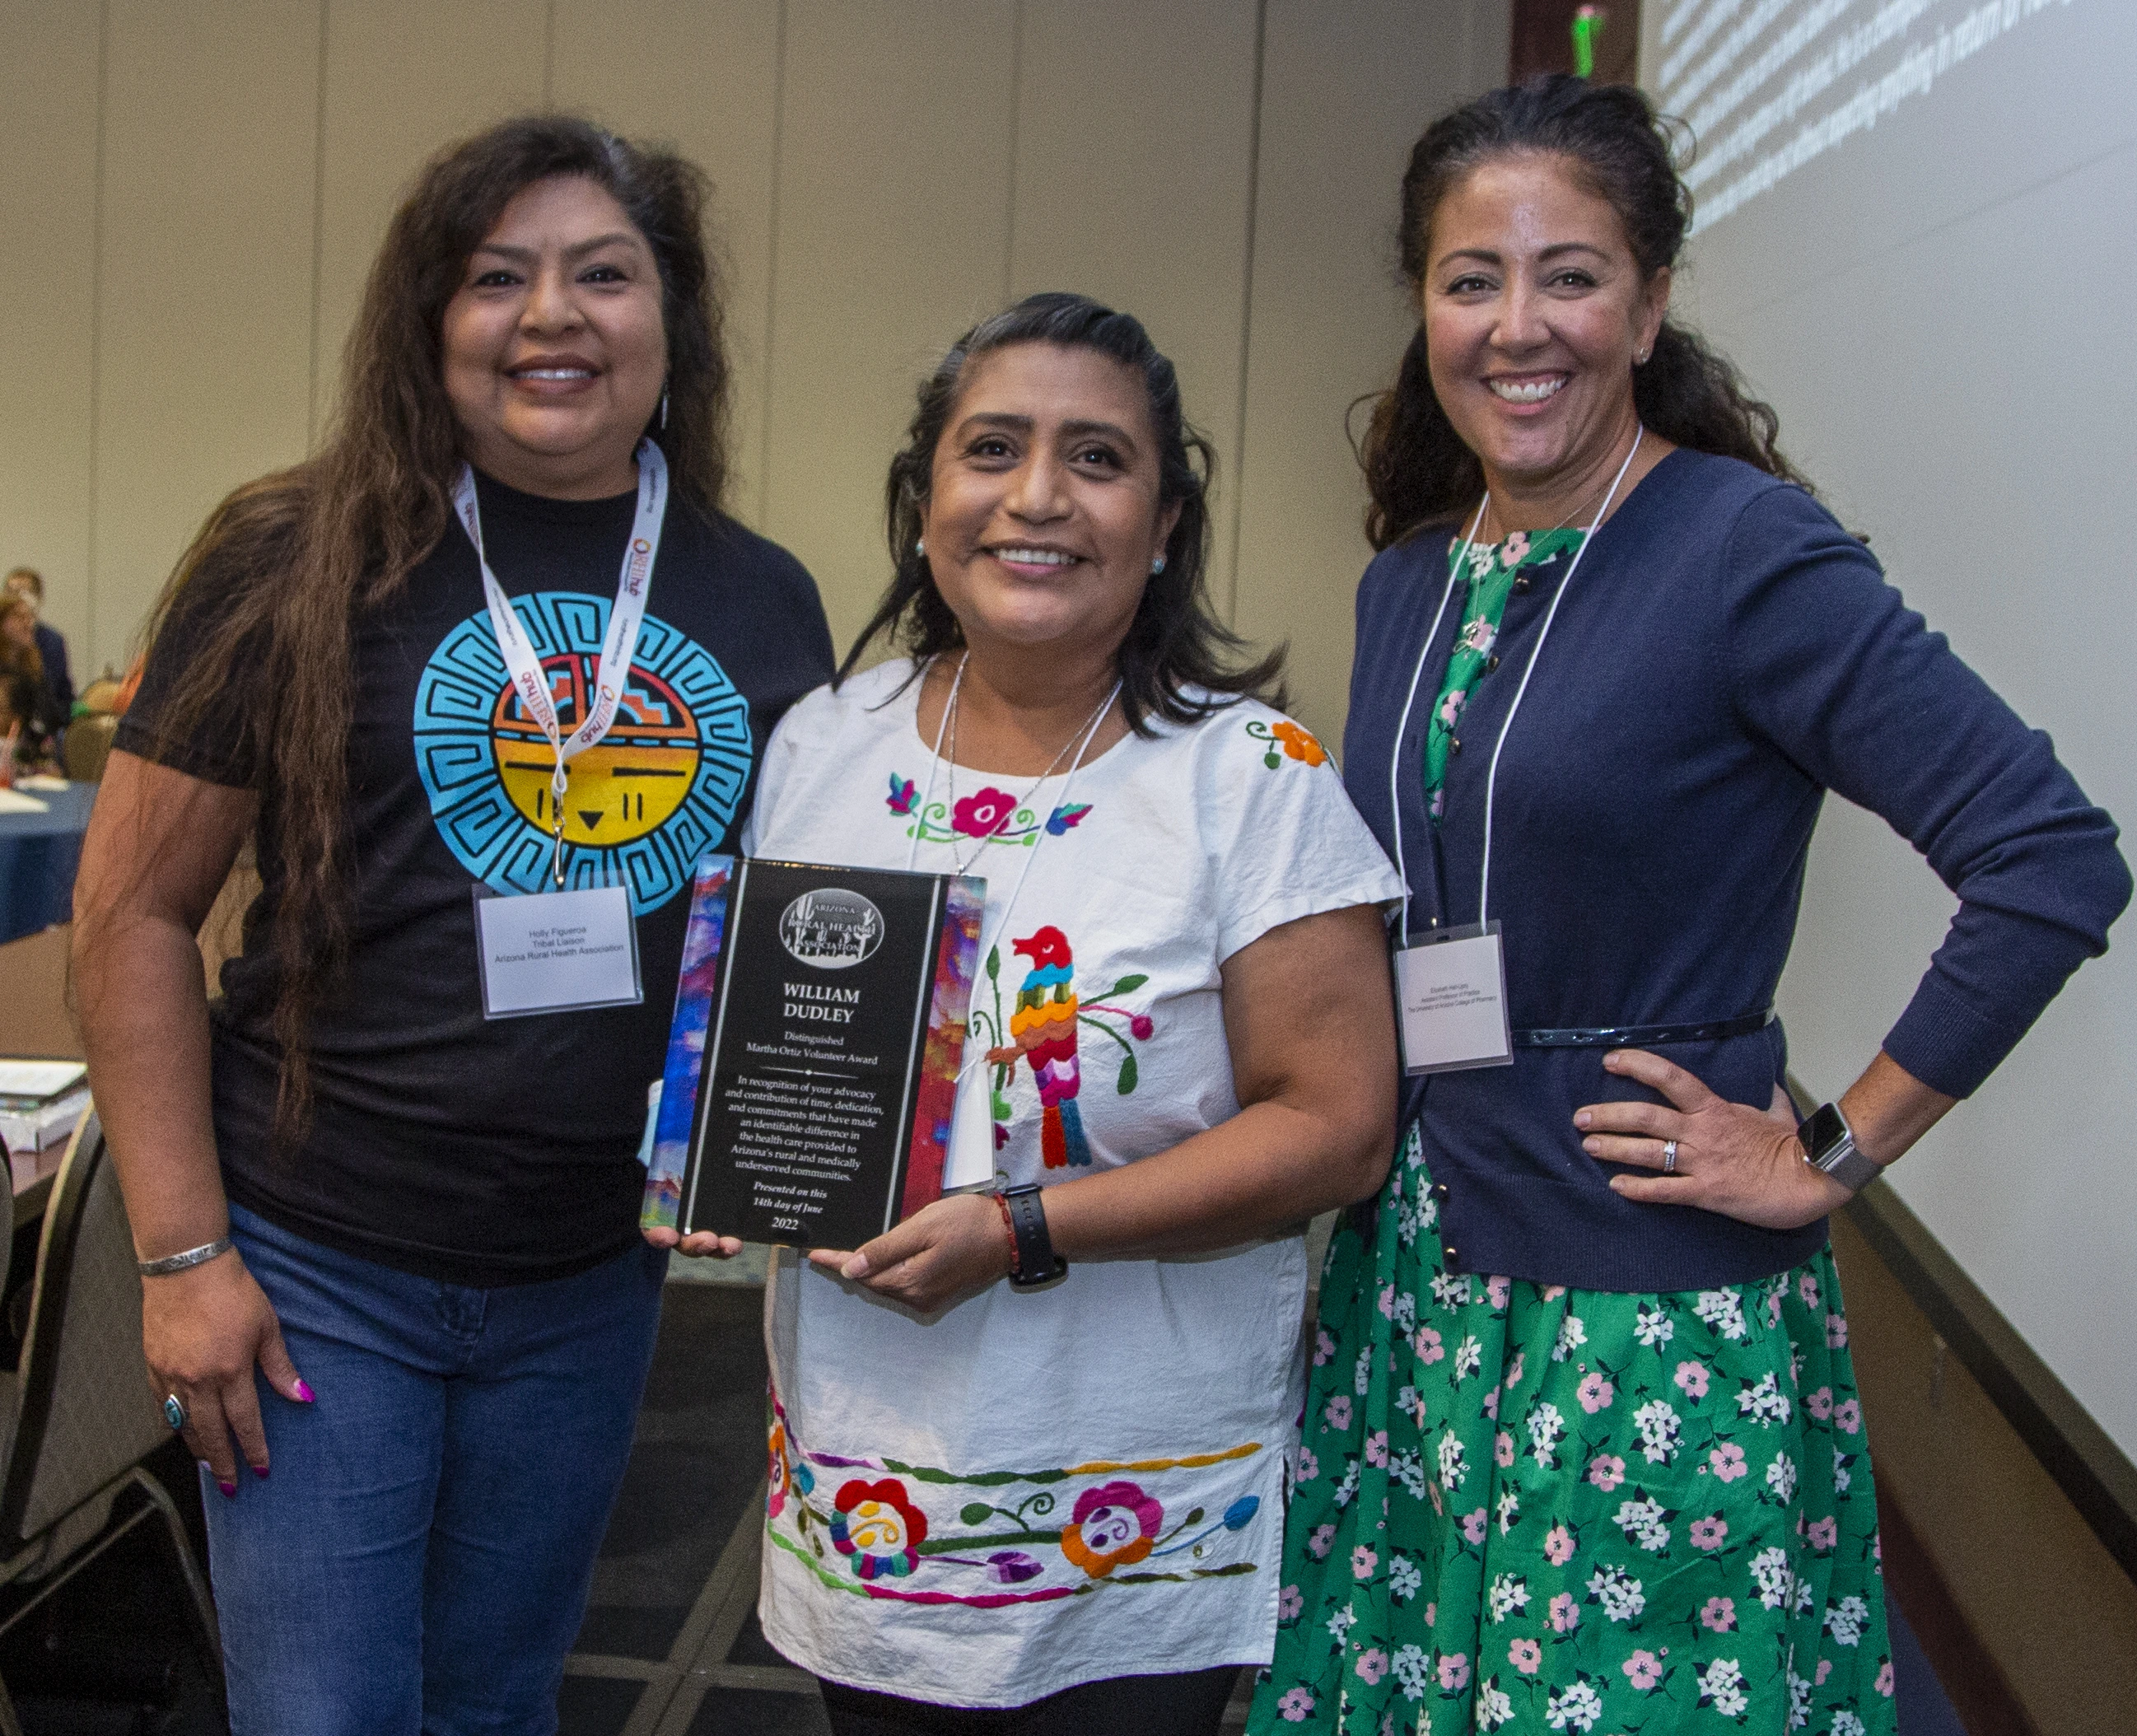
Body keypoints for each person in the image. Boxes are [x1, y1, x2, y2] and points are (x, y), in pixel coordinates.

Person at [1255, 77, 2129, 1736]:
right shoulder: (1409, 579)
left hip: (1637, 1312)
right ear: (1424, 309)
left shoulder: (1743, 551)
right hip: (1419, 1285)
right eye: (1470, 279)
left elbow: (2049, 858)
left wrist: (1826, 1148)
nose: (1519, 325)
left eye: (1570, 276)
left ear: (1648, 307)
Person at [72, 116, 833, 1734]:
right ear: (430, 320)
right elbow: (132, 915)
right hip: (312, 1261)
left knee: (498, 1704)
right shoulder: (294, 555)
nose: (552, 314)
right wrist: (183, 1255)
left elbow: (785, 937)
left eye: (603, 274)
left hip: (587, 1273)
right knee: (326, 1713)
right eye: (499, 276)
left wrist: (762, 1140)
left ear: (672, 320)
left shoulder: (759, 596)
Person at [650, 292, 1406, 1734]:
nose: (1038, 496)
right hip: (871, 1481)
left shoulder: (1251, 776)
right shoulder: (822, 742)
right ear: (924, 499)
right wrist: (705, 1149)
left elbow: (1337, 1129)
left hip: (1131, 1499)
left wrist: (1022, 1228)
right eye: (991, 448)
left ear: (1164, 523)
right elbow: (769, 1040)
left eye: (1097, 458)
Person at [0, 592, 63, 770]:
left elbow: (52, 718)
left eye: (30, 617)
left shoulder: (34, 671)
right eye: (19, 617)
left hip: (32, 759)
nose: (28, 623)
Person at [3, 567, 74, 723]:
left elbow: (52, 701)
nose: (18, 597)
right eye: (11, 591)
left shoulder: (50, 641)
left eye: (24, 592)